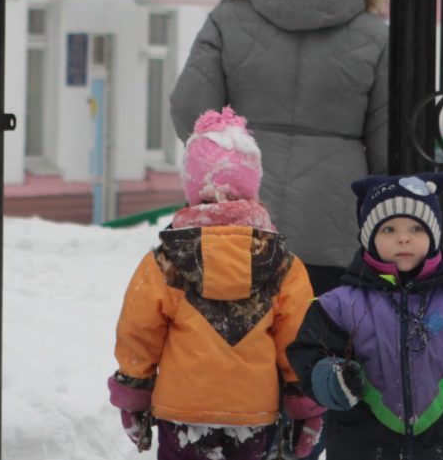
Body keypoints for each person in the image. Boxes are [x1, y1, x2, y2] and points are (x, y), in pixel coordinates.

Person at [170, 0, 390, 299]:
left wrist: (225, 164)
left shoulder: (228, 17)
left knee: (243, 343)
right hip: (334, 222)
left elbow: (191, 106)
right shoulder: (374, 33)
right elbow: (387, 136)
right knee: (322, 346)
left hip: (240, 217)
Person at [108, 107, 325, 460]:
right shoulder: (282, 264)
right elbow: (297, 339)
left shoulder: (166, 261)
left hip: (181, 412)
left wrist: (133, 392)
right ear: (251, 186)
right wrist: (305, 405)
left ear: (193, 188)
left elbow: (139, 333)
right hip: (253, 413)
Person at [286, 173, 443, 460]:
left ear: (434, 236)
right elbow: (309, 354)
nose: (404, 237)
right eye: (388, 229)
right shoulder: (338, 306)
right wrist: (328, 378)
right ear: (368, 238)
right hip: (362, 447)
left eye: (416, 228)